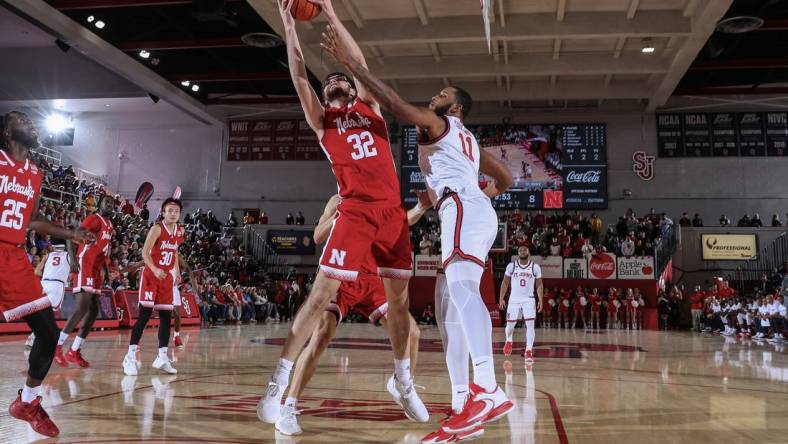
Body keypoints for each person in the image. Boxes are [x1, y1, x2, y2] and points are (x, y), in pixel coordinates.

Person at [321, 14, 516, 439]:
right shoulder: (469, 142)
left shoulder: (438, 124)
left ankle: (489, 389)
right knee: (451, 310)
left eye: (442, 94)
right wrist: (461, 196)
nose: (434, 96)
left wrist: (351, 65)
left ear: (456, 107)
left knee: (463, 292)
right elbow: (508, 180)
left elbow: (391, 102)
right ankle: (466, 402)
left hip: (462, 211)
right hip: (467, 209)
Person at [258, 0, 427, 431]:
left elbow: (361, 63)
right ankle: (280, 382)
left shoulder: (370, 110)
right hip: (353, 212)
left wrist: (331, 13)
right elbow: (299, 75)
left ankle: (404, 380)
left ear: (352, 89)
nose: (333, 83)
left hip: (390, 213)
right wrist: (288, 25)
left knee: (402, 310)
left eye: (340, 80)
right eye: (329, 81)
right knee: (318, 302)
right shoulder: (323, 122)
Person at [274, 192, 428, 435]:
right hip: (341, 278)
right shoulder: (338, 200)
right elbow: (316, 236)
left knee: (413, 334)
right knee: (321, 335)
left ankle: (399, 383)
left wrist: (420, 206)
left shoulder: (383, 200)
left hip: (371, 280)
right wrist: (340, 219)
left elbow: (403, 221)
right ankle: (288, 407)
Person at [1, 111, 95, 437]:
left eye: (31, 120)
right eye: (21, 120)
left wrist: (72, 234)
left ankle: (27, 401)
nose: (31, 124)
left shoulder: (35, 174)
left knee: (48, 333)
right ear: (7, 131)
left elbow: (34, 218)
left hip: (13, 257)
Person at [122, 198, 184, 376]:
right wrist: (155, 269)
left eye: (176, 211)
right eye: (170, 210)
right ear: (163, 212)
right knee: (145, 315)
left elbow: (174, 251)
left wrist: (177, 271)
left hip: (166, 277)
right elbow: (144, 252)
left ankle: (162, 357)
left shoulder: (179, 232)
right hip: (151, 276)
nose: (173, 213)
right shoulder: (157, 228)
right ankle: (130, 356)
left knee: (166, 316)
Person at [55, 194, 116, 368]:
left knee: (94, 310)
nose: (110, 205)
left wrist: (106, 269)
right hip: (84, 263)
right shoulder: (93, 219)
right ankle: (57, 345)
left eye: (112, 203)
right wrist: (72, 258)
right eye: (107, 202)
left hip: (96, 268)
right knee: (82, 307)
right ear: (100, 204)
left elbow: (104, 251)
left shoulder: (110, 225)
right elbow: (71, 235)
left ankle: (74, 350)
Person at [25, 240, 78, 351]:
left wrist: (49, 274)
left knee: (42, 312)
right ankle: (35, 337)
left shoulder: (47, 255)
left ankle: (37, 336)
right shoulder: (70, 256)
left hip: (44, 283)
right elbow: (74, 272)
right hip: (57, 285)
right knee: (48, 313)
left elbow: (36, 272)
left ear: (53, 247)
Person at [498, 246, 543, 362]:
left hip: (529, 299)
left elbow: (539, 284)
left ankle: (528, 350)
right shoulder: (512, 266)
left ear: (529, 252)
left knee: (530, 325)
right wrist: (501, 298)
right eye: (520, 250)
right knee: (510, 326)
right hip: (514, 299)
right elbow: (505, 282)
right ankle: (509, 341)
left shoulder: (535, 267)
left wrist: (540, 300)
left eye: (525, 250)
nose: (522, 251)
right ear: (518, 253)